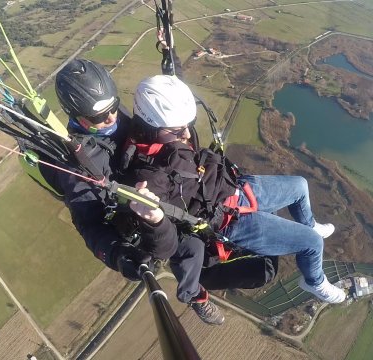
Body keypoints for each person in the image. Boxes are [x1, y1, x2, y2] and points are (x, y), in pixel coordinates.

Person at [122, 74, 346, 325]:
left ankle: (309, 223)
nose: (186, 133)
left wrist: (168, 51)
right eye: (177, 130)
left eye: (187, 124)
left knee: (300, 186)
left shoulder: (162, 134)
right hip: (231, 220)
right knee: (312, 244)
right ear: (152, 125)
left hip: (235, 187)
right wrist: (150, 214)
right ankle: (314, 282)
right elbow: (166, 241)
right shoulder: (150, 178)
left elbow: (173, 86)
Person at [37, 59, 178, 281]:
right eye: (99, 117)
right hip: (139, 213)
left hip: (157, 184)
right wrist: (117, 255)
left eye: (113, 107)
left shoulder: (113, 116)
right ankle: (195, 295)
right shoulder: (74, 166)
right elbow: (89, 224)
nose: (111, 117)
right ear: (76, 115)